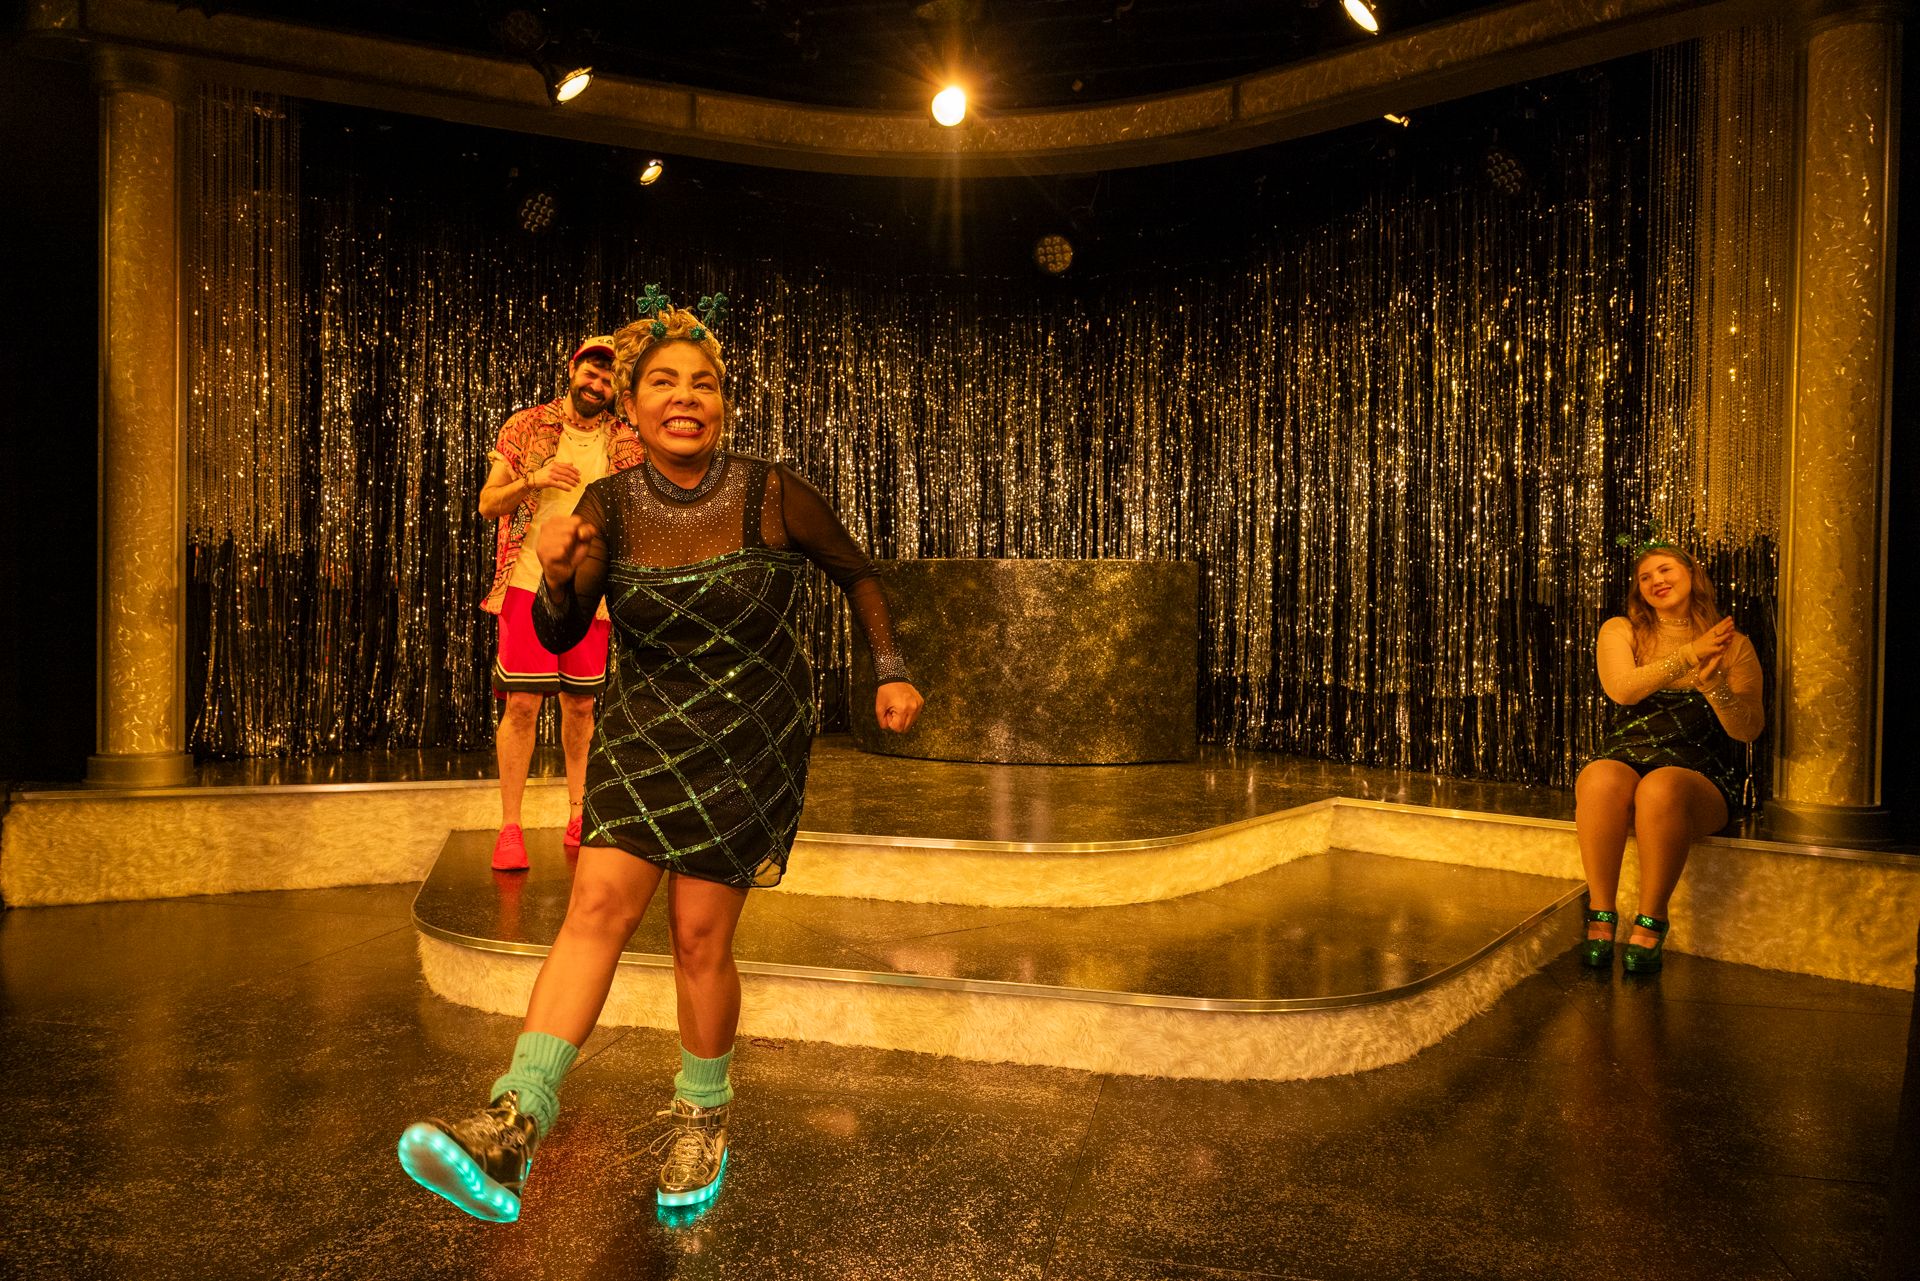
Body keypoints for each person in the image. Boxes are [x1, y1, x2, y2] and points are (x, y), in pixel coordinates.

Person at [399, 291, 925, 1222]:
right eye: (664, 384)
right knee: (595, 908)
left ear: (723, 403)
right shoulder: (607, 504)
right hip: (643, 727)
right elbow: (561, 635)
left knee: (697, 935)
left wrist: (889, 669)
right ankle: (514, 1124)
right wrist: (557, 574)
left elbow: (858, 573)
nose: (686, 397)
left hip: (747, 733)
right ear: (633, 411)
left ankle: (701, 1120)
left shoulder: (772, 491)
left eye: (704, 384)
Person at [477, 337, 646, 871]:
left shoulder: (628, 442)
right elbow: (487, 503)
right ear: (573, 371)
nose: (598, 384)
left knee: (581, 706)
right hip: (527, 581)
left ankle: (579, 813)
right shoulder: (526, 426)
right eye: (591, 372)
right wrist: (535, 478)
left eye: (608, 379)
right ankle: (510, 827)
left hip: (592, 594)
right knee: (522, 704)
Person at [1571, 541, 1764, 973]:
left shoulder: (1734, 645)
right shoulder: (1621, 630)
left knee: (1660, 787)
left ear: (1692, 575)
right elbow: (1622, 689)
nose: (1656, 580)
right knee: (1599, 778)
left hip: (1699, 771)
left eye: (1665, 570)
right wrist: (1690, 655)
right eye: (1645, 577)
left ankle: (1652, 919)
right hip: (1628, 754)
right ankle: (1601, 912)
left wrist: (1713, 687)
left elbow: (1748, 729)